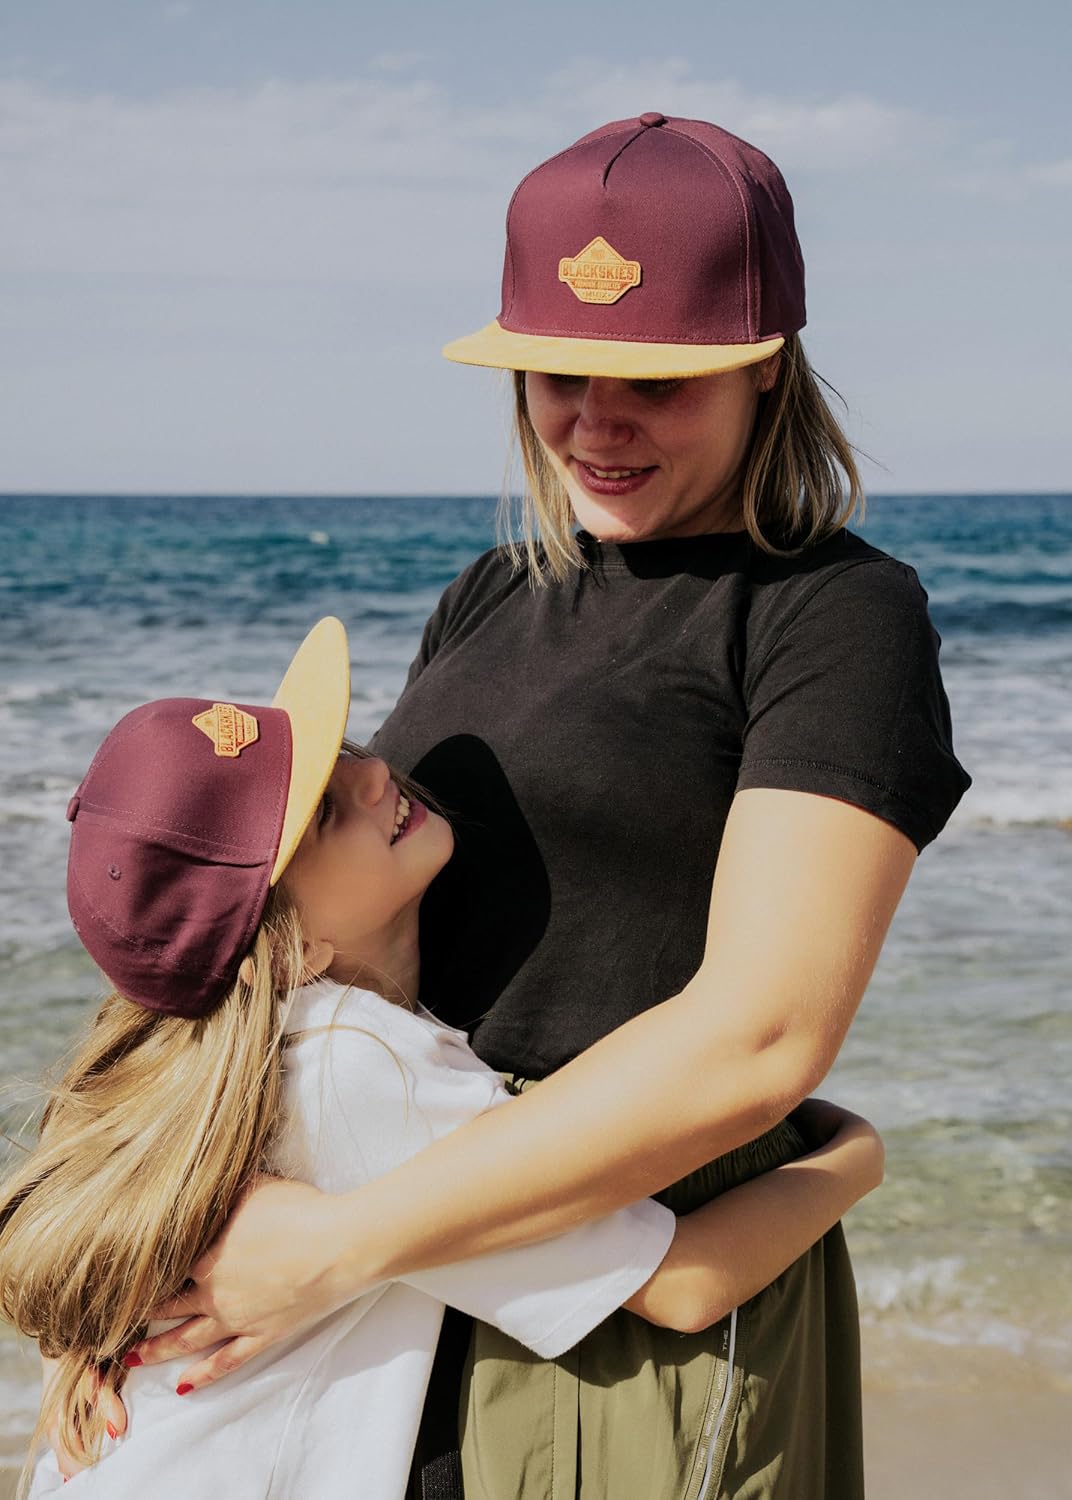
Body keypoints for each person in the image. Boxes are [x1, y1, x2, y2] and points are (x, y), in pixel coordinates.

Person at [39, 114, 971, 1498]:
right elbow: (288, 955)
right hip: (403, 1281)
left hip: (622, 1285)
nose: (597, 418)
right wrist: (137, 1269)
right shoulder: (491, 593)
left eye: (654, 379)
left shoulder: (833, 617)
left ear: (765, 363)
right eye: (558, 370)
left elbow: (764, 1033)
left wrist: (343, 1243)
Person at [0, 619, 885, 1499]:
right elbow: (689, 1286)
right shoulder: (361, 1068)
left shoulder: (253, 1068)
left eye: (339, 754)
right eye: (323, 816)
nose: (373, 773)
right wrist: (855, 1153)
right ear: (289, 948)